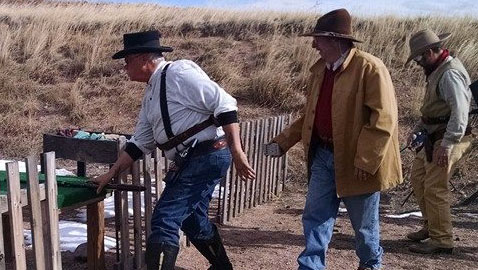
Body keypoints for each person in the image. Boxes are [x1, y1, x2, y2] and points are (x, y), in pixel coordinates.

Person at [93, 30, 255, 270]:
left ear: (142, 58)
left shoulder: (179, 72)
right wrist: (112, 172)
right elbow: (140, 143)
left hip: (207, 154)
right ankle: (223, 267)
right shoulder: (151, 93)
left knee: (165, 218)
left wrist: (237, 152)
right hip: (194, 159)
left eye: (127, 61)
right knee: (192, 220)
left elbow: (225, 104)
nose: (124, 67)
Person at [265, 9, 402, 270]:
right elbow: (309, 116)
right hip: (323, 156)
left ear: (336, 40)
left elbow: (384, 119)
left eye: (318, 38)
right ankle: (311, 266)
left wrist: (366, 160)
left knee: (363, 226)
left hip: (356, 162)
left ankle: (371, 264)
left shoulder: (370, 68)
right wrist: (282, 142)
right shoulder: (320, 71)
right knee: (315, 217)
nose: (313, 44)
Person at [405, 29, 472, 254]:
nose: (417, 62)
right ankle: (431, 226)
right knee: (418, 178)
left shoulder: (450, 73)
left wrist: (448, 144)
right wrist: (418, 129)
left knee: (434, 187)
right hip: (435, 135)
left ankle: (442, 240)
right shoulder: (437, 70)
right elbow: (434, 110)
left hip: (449, 137)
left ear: (432, 52)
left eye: (419, 57)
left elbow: (460, 112)